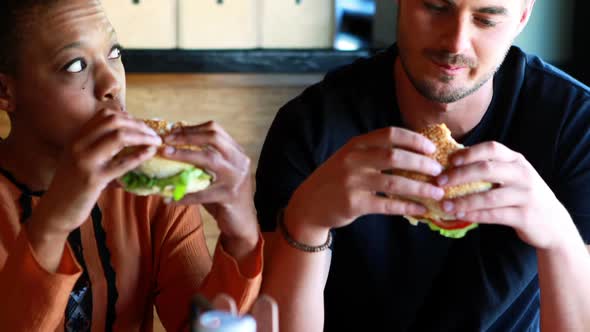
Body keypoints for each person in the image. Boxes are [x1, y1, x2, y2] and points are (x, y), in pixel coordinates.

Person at [255, 0, 590, 331]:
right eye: (435, 7)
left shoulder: (575, 125)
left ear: (522, 17)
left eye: (486, 20)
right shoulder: (310, 126)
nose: (455, 43)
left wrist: (559, 235)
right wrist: (306, 220)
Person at [0, 0, 263, 330]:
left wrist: (242, 239)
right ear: (5, 91)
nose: (112, 84)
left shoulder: (148, 187)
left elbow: (196, 323)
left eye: (114, 53)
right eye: (75, 65)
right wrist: (53, 222)